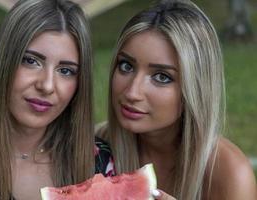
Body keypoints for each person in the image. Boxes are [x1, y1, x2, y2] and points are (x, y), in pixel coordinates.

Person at [96, 0, 257, 199]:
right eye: (126, 66)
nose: (132, 92)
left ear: (195, 88)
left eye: (162, 77)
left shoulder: (229, 174)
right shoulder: (96, 147)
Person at [0, 0, 114, 199]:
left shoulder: (101, 163)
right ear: (3, 62)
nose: (47, 86)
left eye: (65, 71)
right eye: (31, 61)